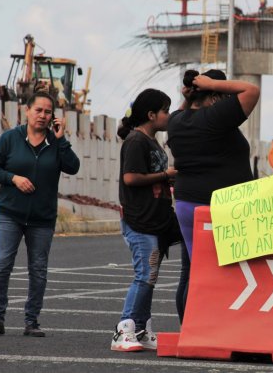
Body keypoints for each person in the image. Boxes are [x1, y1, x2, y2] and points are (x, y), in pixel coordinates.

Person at [0, 91, 80, 337]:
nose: (43, 116)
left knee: (38, 269)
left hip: (42, 218)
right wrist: (13, 178)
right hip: (9, 213)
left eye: (47, 112)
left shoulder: (56, 144)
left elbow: (73, 167)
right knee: (2, 265)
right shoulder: (10, 138)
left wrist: (61, 139)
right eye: (38, 110)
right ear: (27, 110)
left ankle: (32, 321)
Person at [166, 69, 259, 315]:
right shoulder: (214, 117)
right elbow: (252, 90)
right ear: (216, 96)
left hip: (186, 204)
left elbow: (183, 109)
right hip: (216, 206)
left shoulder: (176, 120)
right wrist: (213, 83)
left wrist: (192, 93)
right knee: (216, 271)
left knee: (191, 269)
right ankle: (205, 326)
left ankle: (188, 327)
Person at [111, 89, 183, 352]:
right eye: (165, 110)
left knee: (150, 276)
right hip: (139, 220)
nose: (168, 115)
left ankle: (140, 329)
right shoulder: (136, 141)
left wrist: (166, 177)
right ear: (151, 115)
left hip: (156, 219)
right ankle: (123, 330)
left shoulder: (152, 142)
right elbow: (131, 178)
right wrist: (165, 175)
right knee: (144, 275)